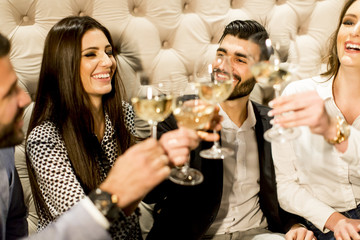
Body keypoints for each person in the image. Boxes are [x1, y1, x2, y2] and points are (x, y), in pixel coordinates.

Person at [24, 15, 207, 239]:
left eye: (108, 52)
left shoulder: (125, 115)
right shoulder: (45, 138)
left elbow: (149, 194)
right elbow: (82, 225)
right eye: (91, 54)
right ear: (64, 64)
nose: (108, 62)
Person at [143, 20, 314, 240]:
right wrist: (174, 157)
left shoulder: (273, 124)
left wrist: (294, 226)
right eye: (221, 55)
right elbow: (150, 195)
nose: (223, 66)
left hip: (259, 234)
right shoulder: (180, 115)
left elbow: (285, 189)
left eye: (240, 59)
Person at [269, 0, 360, 239]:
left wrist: (333, 129)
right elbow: (285, 186)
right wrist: (336, 220)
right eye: (348, 22)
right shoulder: (297, 95)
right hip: (323, 220)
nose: (355, 30)